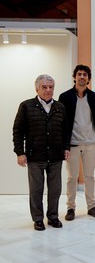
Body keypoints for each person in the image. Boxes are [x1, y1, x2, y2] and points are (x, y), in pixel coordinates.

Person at [13, 74, 70, 231]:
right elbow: (18, 131)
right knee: (36, 190)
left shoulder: (60, 107)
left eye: (51, 87)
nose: (48, 90)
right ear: (37, 88)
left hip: (56, 156)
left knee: (55, 189)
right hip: (34, 156)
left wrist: (66, 148)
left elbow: (66, 131)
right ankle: (38, 219)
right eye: (44, 87)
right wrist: (20, 152)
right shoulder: (26, 106)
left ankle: (52, 217)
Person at [58, 64, 95, 221]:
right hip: (73, 144)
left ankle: (91, 206)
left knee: (90, 176)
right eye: (79, 74)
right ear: (74, 77)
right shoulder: (65, 97)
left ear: (88, 78)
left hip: (91, 143)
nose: (82, 77)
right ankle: (70, 208)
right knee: (72, 177)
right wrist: (64, 145)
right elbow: (61, 123)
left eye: (85, 74)